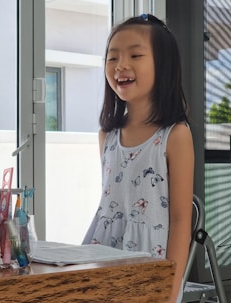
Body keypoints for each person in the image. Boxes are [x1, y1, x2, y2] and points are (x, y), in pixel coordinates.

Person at [82, 14, 194, 303]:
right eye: (112, 57)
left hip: (149, 266)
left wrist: (171, 286)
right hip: (102, 255)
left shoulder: (175, 135)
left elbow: (182, 220)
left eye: (135, 55)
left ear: (164, 66)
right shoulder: (106, 135)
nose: (121, 65)